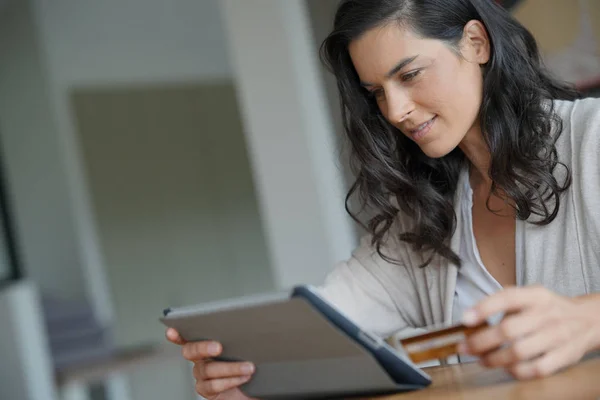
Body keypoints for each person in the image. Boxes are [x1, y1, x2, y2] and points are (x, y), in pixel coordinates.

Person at [166, 0, 600, 398]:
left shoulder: (592, 138)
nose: (394, 111)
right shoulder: (422, 215)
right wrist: (245, 368)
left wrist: (586, 319)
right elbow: (328, 320)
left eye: (409, 75)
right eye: (376, 92)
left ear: (475, 42)